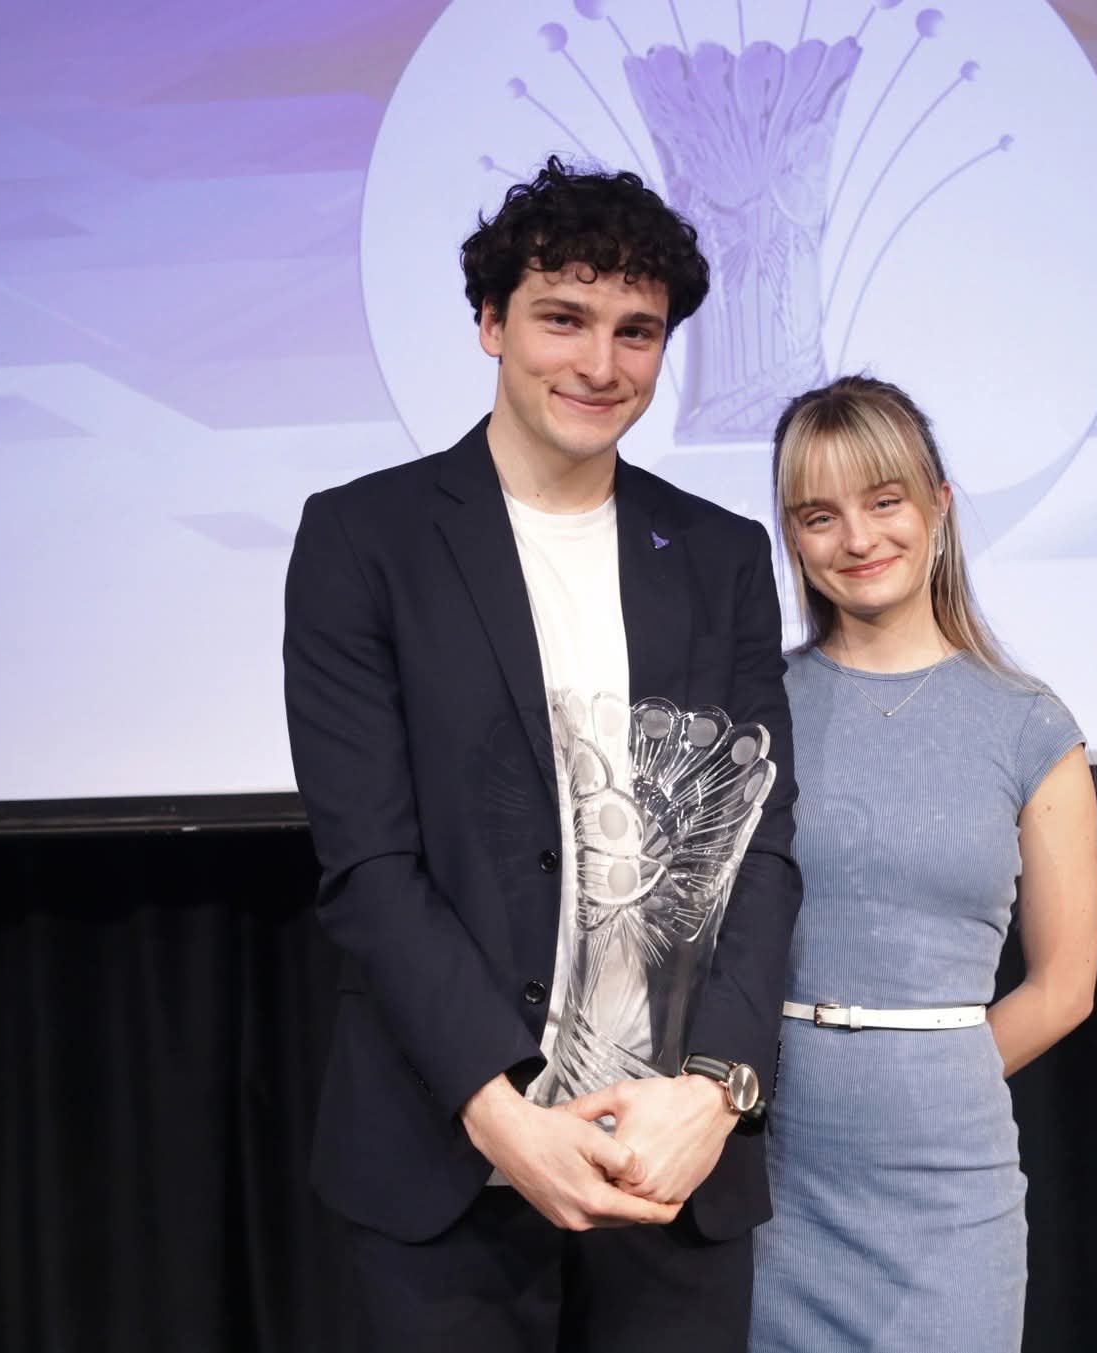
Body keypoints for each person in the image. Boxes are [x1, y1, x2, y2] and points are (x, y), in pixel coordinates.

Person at [282, 157, 801, 1352]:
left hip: (669, 1163)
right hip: (445, 1156)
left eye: (636, 332)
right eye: (562, 319)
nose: (600, 364)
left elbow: (759, 850)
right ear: (490, 324)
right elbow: (370, 865)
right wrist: (499, 1110)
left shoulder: (716, 554)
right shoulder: (364, 538)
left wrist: (714, 1088)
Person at [748, 375, 1097, 1351]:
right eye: (819, 515)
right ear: (792, 537)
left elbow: (1064, 988)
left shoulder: (1029, 726)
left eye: (883, 501)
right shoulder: (757, 707)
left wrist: (927, 1071)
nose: (857, 538)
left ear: (937, 505)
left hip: (951, 1200)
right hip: (775, 1186)